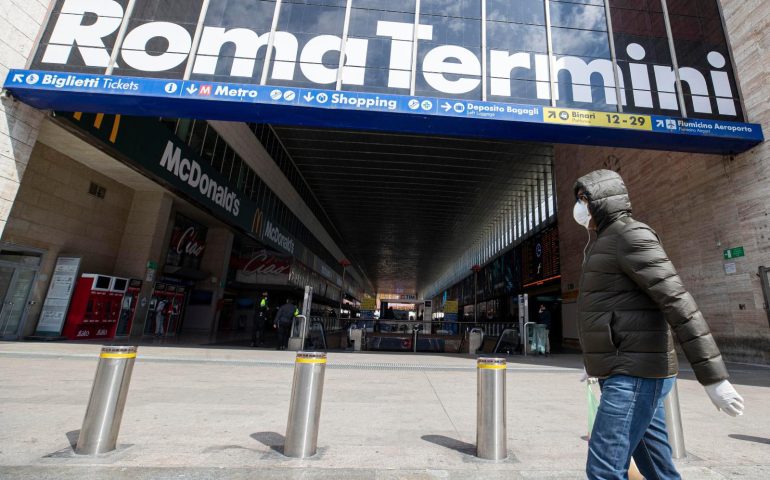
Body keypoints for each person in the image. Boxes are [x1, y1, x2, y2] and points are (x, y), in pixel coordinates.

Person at [573, 170, 744, 480]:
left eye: (584, 200)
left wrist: (714, 378)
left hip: (635, 374)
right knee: (657, 469)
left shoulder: (630, 235)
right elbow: (608, 310)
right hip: (626, 369)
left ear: (601, 201)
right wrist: (596, 361)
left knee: (603, 469)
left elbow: (678, 302)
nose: (580, 208)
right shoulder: (604, 242)